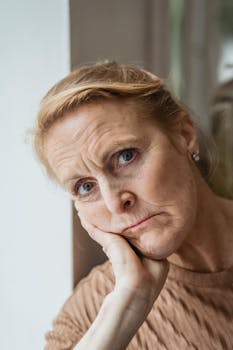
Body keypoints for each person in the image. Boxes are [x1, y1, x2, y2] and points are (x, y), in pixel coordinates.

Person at [34, 61, 233, 350]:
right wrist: (128, 305)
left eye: (126, 156)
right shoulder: (91, 313)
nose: (115, 203)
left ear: (185, 135)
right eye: (86, 187)